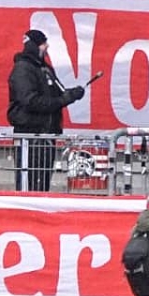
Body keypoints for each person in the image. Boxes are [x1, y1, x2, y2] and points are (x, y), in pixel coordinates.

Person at [6, 28, 90, 192]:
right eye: (44, 43)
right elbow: (31, 101)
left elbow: (57, 96)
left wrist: (72, 95)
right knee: (28, 182)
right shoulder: (23, 69)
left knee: (42, 182)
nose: (47, 47)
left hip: (47, 135)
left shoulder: (46, 69)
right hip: (29, 135)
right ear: (35, 45)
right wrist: (63, 99)